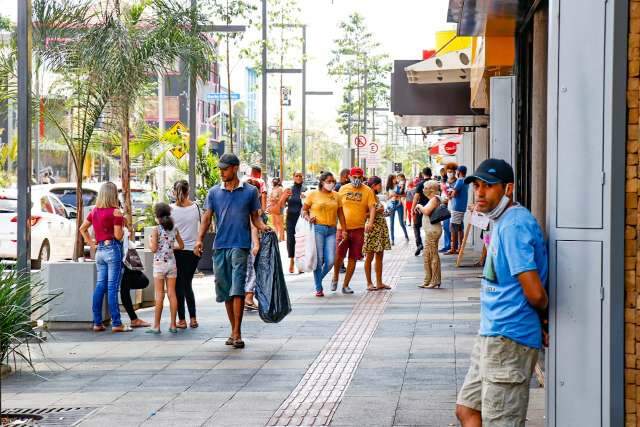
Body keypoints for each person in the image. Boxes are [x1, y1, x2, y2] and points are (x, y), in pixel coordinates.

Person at [455, 159, 548, 427]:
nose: (480, 193)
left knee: (500, 422)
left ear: (508, 188)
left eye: (488, 186)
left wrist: (542, 318)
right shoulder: (502, 221)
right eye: (477, 186)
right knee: (466, 409)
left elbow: (535, 292)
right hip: (492, 334)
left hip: (510, 338)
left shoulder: (514, 225)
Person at [195, 153, 271, 349]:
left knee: (237, 289)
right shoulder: (213, 192)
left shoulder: (250, 192)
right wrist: (199, 240)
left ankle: (237, 333)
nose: (221, 172)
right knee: (226, 291)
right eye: (220, 169)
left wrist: (263, 227)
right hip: (220, 246)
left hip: (240, 245)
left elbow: (255, 217)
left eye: (225, 169)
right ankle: (233, 329)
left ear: (235, 168)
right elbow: (206, 217)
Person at [80, 182, 131, 333]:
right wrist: (123, 222)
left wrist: (92, 244)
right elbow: (118, 236)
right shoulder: (116, 212)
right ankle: (116, 323)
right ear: (113, 194)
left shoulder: (94, 211)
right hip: (112, 249)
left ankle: (97, 322)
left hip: (100, 251)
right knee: (112, 287)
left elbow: (82, 228)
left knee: (100, 286)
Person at [331, 167, 376, 294]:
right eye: (354, 177)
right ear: (349, 177)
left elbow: (372, 207)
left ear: (362, 178)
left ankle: (346, 285)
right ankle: (335, 276)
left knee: (353, 257)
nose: (357, 180)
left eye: (359, 178)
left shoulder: (367, 190)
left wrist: (370, 222)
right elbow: (337, 207)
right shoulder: (343, 189)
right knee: (339, 255)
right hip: (343, 229)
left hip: (359, 229)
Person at [302, 172, 347, 297]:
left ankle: (317, 281)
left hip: (332, 230)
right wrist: (307, 217)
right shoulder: (313, 194)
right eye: (329, 181)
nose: (332, 183)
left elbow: (341, 214)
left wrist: (344, 230)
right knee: (319, 259)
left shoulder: (337, 196)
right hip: (317, 229)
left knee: (331, 260)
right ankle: (319, 288)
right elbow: (304, 210)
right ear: (322, 182)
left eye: (333, 181)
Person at [147, 203, 184, 334]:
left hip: (159, 265)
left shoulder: (156, 230)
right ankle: (173, 325)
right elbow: (182, 245)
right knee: (172, 294)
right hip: (171, 264)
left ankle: (156, 326)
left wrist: (150, 240)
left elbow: (153, 249)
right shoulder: (174, 228)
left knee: (159, 295)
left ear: (157, 215)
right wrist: (170, 248)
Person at [171, 180, 201, 329]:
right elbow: (200, 227)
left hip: (176, 251)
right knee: (187, 284)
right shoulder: (196, 207)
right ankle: (193, 318)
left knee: (178, 285)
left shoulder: (170, 210)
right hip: (193, 251)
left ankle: (181, 320)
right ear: (188, 191)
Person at [363, 176, 391, 291]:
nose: (381, 187)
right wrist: (377, 211)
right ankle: (369, 283)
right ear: (374, 185)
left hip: (380, 229)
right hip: (371, 229)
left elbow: (378, 212)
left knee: (380, 255)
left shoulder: (376, 197)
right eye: (380, 185)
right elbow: (363, 214)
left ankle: (379, 282)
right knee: (369, 257)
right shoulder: (367, 197)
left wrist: (383, 212)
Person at [416, 180, 444, 289]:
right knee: (427, 256)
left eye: (425, 188)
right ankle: (427, 280)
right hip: (429, 231)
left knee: (433, 255)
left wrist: (419, 205)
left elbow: (427, 211)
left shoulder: (435, 199)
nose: (423, 190)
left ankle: (435, 280)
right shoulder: (432, 199)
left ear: (431, 189)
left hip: (433, 231)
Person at [280, 171, 306, 274]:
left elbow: (310, 204)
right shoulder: (289, 190)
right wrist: (284, 196)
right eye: (297, 176)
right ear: (293, 177)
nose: (299, 177)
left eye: (300, 176)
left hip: (301, 219)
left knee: (300, 241)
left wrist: (305, 198)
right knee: (290, 240)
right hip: (290, 218)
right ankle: (291, 261)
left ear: (302, 177)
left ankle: (300, 264)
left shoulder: (306, 190)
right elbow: (281, 205)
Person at [448, 165, 469, 255]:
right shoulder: (466, 181)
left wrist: (450, 194)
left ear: (459, 172)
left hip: (456, 207)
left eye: (456, 171)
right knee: (460, 228)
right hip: (462, 207)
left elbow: (455, 194)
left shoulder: (459, 181)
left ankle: (453, 248)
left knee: (453, 228)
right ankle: (461, 247)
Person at [412, 167, 432, 256]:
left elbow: (416, 198)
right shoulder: (434, 184)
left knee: (416, 226)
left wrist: (413, 209)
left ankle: (419, 244)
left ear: (423, 174)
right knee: (429, 228)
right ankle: (430, 247)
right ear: (430, 174)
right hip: (432, 208)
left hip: (421, 209)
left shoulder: (420, 184)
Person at [385, 174, 409, 245]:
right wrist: (391, 195)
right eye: (394, 178)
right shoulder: (388, 188)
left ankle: (406, 235)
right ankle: (392, 240)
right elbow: (386, 198)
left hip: (399, 205)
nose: (396, 179)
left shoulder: (399, 185)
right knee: (391, 223)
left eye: (396, 178)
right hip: (391, 205)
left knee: (401, 222)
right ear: (391, 180)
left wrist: (397, 195)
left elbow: (404, 195)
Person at [440, 162, 458, 254]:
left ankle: (454, 246)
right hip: (446, 206)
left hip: (454, 207)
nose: (449, 173)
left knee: (454, 228)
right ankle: (447, 245)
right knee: (446, 226)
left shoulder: (457, 182)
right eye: (448, 171)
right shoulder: (446, 182)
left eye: (451, 171)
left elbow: (456, 194)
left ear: (455, 172)